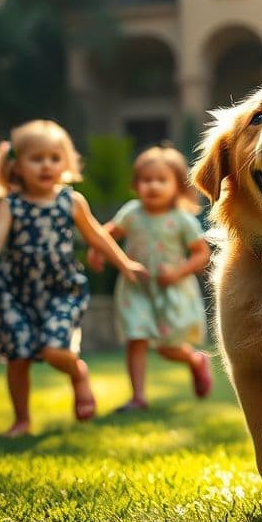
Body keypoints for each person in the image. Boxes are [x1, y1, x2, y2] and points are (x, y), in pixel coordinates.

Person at [0, 120, 148, 436]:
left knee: (55, 350)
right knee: (18, 357)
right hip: (16, 292)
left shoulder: (71, 201)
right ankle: (22, 420)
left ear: (66, 162)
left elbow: (97, 237)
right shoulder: (10, 204)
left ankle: (77, 373)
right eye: (36, 159)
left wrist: (123, 263)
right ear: (17, 165)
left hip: (61, 290)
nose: (46, 165)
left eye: (54, 158)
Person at [90, 145, 212, 412]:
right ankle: (138, 396)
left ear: (178, 186)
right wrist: (97, 250)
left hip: (171, 291)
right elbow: (107, 232)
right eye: (146, 180)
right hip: (136, 288)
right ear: (136, 184)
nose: (153, 186)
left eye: (161, 180)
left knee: (168, 348)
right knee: (136, 337)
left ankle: (194, 361)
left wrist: (178, 272)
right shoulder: (132, 213)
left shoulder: (182, 220)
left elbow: (201, 254)